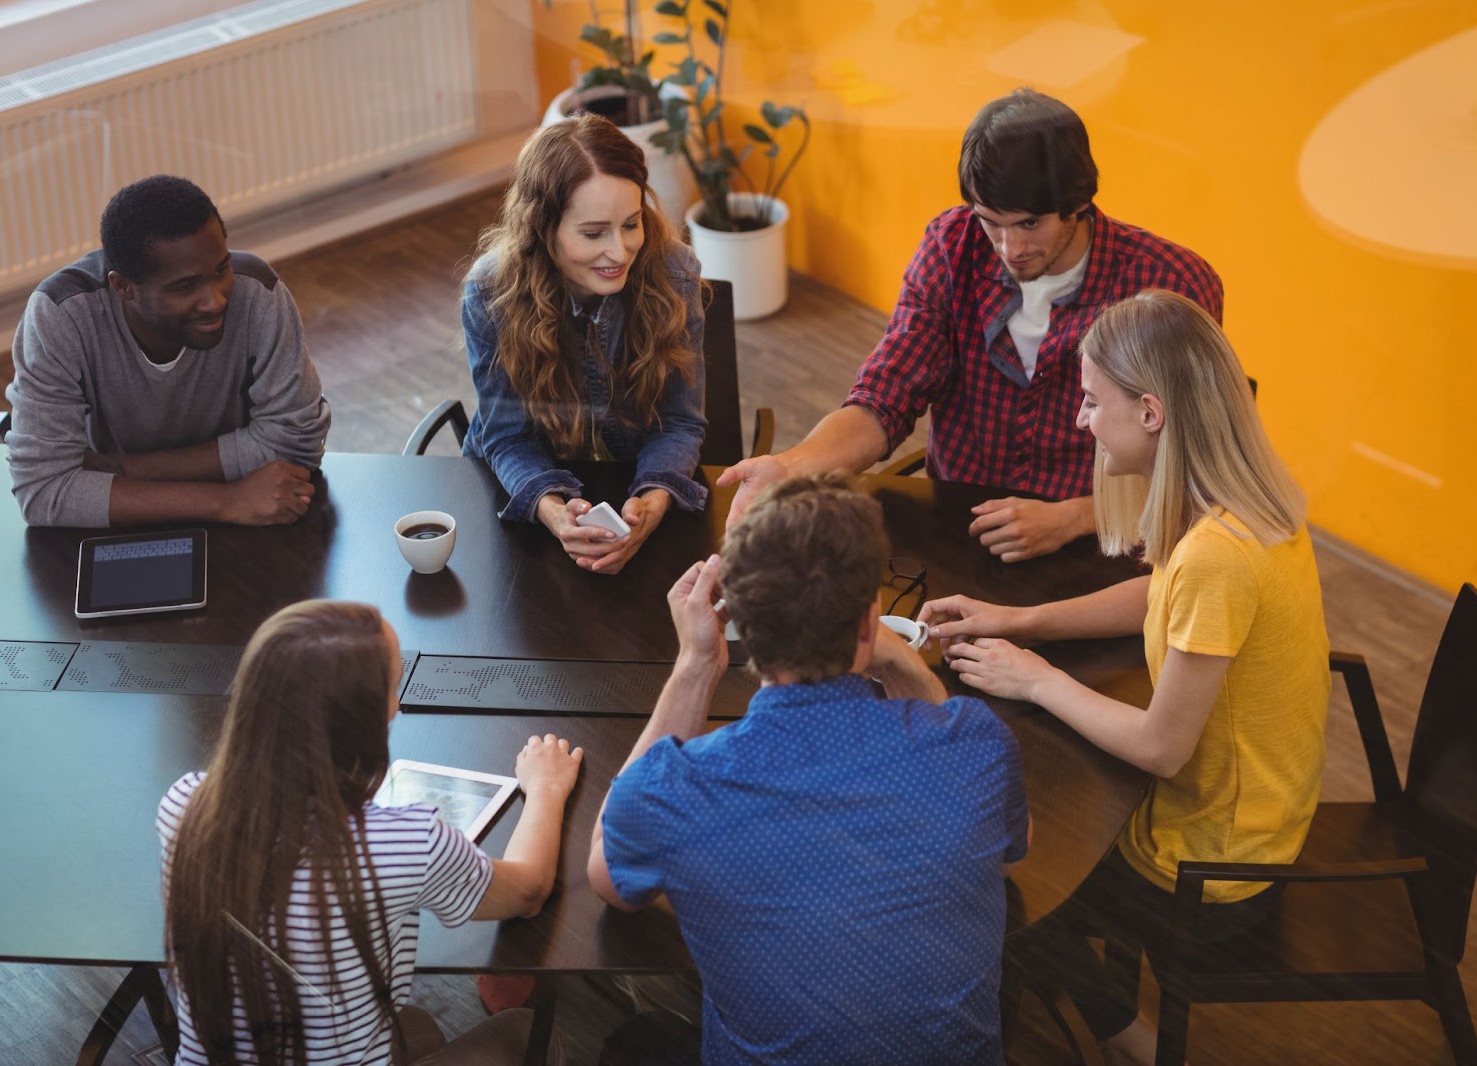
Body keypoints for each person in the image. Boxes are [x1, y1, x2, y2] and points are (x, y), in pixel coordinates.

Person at [919, 289, 1329, 1065]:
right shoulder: (1248, 503)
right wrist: (1017, 620)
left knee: (999, 895)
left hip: (1215, 865)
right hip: (1263, 816)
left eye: (1090, 400)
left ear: (1150, 412)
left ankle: (1133, 1041)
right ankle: (1121, 1033)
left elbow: (1160, 748)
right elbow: (1160, 592)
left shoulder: (1219, 556)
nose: (1080, 419)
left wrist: (1034, 676)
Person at [587, 474, 1030, 1065]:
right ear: (869, 621)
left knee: (629, 1039)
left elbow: (608, 877)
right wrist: (899, 662)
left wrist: (695, 664)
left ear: (739, 622)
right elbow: (1014, 844)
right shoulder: (977, 745)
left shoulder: (679, 792)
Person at [719, 89, 1222, 563]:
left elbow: (1193, 458)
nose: (1009, 248)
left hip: (1107, 540)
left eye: (1029, 224)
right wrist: (792, 467)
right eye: (989, 221)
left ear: (1078, 202)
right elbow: (885, 394)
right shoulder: (951, 245)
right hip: (960, 526)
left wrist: (1075, 517)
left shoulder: (1169, 283)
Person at [158, 600, 583, 1066]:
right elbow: (529, 889)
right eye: (394, 687)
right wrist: (544, 788)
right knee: (523, 1033)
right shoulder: (406, 843)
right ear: (357, 724)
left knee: (417, 1026)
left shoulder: (184, 806)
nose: (398, 705)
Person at [6, 174, 330, 528]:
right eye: (185, 286)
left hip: (138, 495)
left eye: (221, 269)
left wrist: (128, 469)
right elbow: (44, 491)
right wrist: (225, 501)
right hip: (154, 515)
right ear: (124, 287)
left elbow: (297, 440)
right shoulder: (61, 315)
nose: (215, 300)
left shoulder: (259, 292)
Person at [462, 113, 707, 575]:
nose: (619, 252)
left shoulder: (675, 273)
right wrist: (554, 512)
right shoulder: (489, 293)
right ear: (542, 228)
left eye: (631, 223)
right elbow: (507, 437)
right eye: (593, 233)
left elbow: (678, 422)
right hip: (527, 508)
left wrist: (652, 503)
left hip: (638, 484)